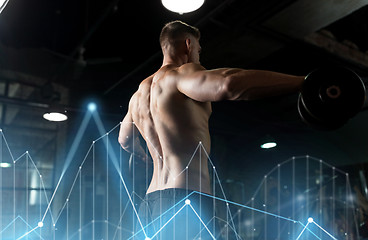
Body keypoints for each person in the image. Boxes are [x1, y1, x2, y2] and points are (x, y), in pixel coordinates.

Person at [118, 20, 304, 239]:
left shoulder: (138, 96)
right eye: (198, 49)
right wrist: (303, 82)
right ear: (188, 44)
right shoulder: (180, 75)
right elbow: (228, 84)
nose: (198, 54)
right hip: (185, 200)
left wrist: (141, 153)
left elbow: (125, 140)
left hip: (149, 205)